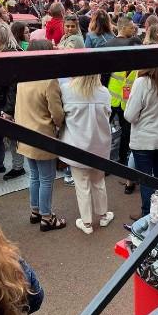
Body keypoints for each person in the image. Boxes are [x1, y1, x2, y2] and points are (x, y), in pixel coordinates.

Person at [14, 39, 67, 231]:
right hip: (43, 136)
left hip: (25, 135)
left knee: (34, 176)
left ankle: (35, 211)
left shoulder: (23, 78)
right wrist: (59, 125)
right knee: (46, 178)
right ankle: (47, 216)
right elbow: (57, 113)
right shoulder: (49, 80)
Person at [58, 74, 114, 234]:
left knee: (82, 186)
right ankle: (104, 216)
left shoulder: (67, 90)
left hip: (76, 147)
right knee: (99, 181)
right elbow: (107, 116)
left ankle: (87, 223)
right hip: (99, 146)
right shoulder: (104, 92)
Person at [124, 65, 158, 220]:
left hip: (144, 139)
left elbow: (129, 115)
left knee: (146, 179)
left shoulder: (142, 82)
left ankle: (148, 216)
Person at [102, 17, 143, 194]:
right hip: (112, 100)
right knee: (105, 131)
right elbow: (106, 76)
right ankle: (106, 162)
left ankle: (122, 162)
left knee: (126, 134)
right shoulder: (119, 56)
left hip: (127, 105)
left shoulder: (140, 67)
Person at [0, 21, 26, 180]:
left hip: (8, 104)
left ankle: (18, 167)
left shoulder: (11, 54)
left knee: (12, 136)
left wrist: (8, 110)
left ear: (1, 37)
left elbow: (13, 86)